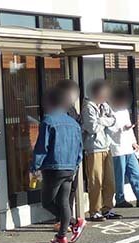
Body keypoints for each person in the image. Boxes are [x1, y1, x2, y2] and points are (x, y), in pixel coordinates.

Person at [31, 88, 86, 243]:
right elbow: (79, 147)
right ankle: (61, 237)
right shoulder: (73, 123)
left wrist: (35, 166)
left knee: (47, 202)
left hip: (53, 167)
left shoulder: (48, 121)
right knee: (63, 201)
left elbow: (42, 147)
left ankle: (74, 223)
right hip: (70, 167)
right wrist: (75, 164)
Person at [82, 79, 123, 222]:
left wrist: (100, 120)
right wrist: (104, 121)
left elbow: (114, 121)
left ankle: (108, 208)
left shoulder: (104, 105)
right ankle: (95, 211)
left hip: (107, 146)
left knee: (109, 181)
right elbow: (92, 127)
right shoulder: (88, 107)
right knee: (96, 181)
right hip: (93, 148)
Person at [108, 86, 139, 208]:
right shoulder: (109, 111)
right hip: (116, 148)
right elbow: (108, 129)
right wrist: (122, 129)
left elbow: (129, 128)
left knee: (135, 172)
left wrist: (134, 142)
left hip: (128, 146)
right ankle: (120, 199)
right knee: (119, 176)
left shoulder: (125, 111)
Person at [54, 79, 82, 233]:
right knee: (59, 191)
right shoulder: (56, 108)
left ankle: (67, 218)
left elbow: (79, 124)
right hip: (61, 155)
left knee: (71, 189)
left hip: (73, 154)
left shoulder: (71, 108)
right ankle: (62, 219)